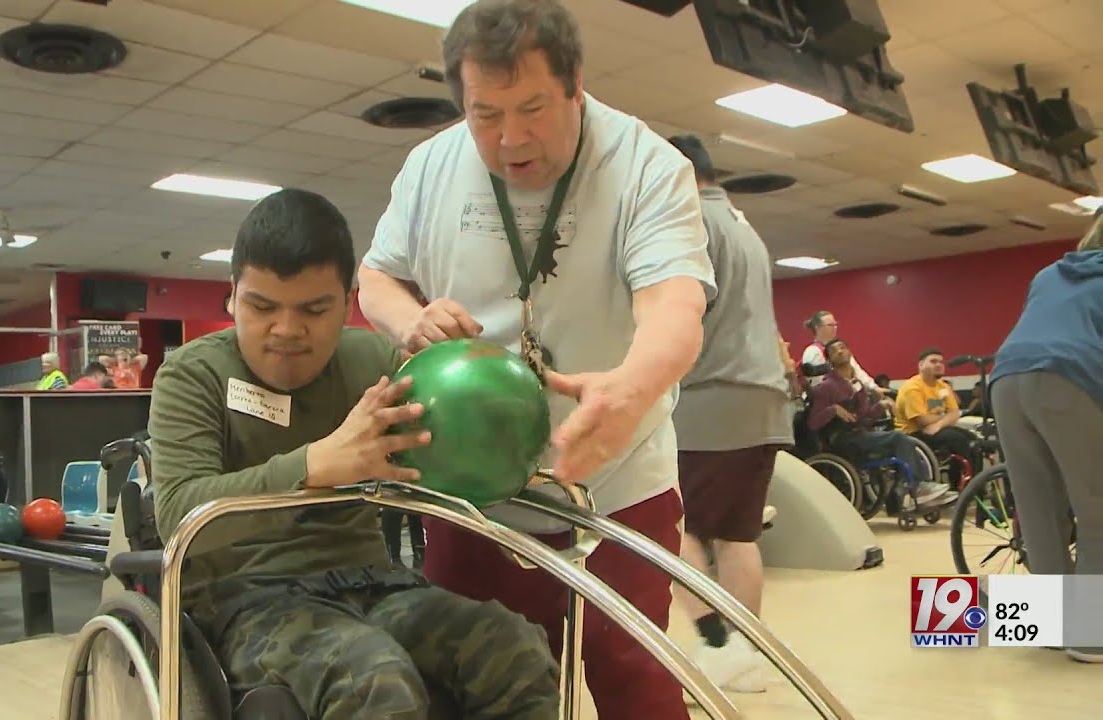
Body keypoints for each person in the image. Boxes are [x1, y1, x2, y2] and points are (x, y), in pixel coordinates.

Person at [356, 1, 715, 715]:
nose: (511, 139)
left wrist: (632, 388)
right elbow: (376, 277)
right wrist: (411, 320)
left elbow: (675, 306)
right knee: (484, 681)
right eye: (485, 115)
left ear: (575, 84)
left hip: (615, 475)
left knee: (635, 676)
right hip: (470, 484)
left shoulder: (645, 165)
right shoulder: (430, 167)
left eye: (533, 108)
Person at [147, 188, 560, 719]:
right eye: (262, 306)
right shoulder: (192, 375)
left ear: (348, 303)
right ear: (232, 297)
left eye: (314, 309)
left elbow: (444, 442)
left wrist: (461, 368)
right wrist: (316, 465)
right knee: (370, 678)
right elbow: (178, 514)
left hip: (372, 584)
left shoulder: (374, 361)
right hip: (247, 600)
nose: (286, 330)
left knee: (512, 647)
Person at [662, 134, 789, 693]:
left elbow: (678, 315)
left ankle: (718, 644)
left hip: (712, 398)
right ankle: (745, 657)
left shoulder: (693, 224)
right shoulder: (742, 225)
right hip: (763, 397)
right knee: (737, 535)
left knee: (670, 529)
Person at [988, 210, 1103, 664]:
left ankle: (1049, 627)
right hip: (1067, 379)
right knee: (1097, 510)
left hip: (1005, 378)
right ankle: (1091, 638)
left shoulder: (1049, 273)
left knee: (1038, 508)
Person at [809, 339, 954, 509]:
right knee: (898, 438)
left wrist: (881, 406)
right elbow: (813, 422)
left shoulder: (857, 385)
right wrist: (833, 409)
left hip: (861, 434)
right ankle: (915, 488)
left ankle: (912, 491)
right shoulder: (826, 387)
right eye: (834, 351)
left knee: (906, 444)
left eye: (843, 348)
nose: (840, 351)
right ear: (829, 360)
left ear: (850, 352)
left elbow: (864, 416)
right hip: (843, 439)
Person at [894, 347, 983, 488]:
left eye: (941, 362)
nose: (939, 365)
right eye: (933, 361)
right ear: (921, 365)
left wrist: (939, 424)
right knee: (958, 440)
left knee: (975, 441)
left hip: (937, 428)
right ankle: (961, 486)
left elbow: (955, 413)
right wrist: (945, 417)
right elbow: (922, 420)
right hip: (913, 433)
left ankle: (976, 486)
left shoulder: (943, 386)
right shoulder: (912, 388)